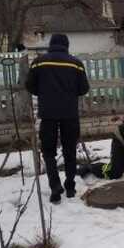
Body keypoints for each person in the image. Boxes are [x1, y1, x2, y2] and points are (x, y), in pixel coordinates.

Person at [25, 34, 90, 203]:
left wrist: (45, 93)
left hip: (48, 114)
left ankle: (55, 186)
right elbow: (84, 89)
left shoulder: (39, 62)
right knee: (69, 151)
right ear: (66, 46)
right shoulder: (76, 63)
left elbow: (29, 85)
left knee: (48, 151)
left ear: (51, 45)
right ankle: (70, 187)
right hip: (70, 114)